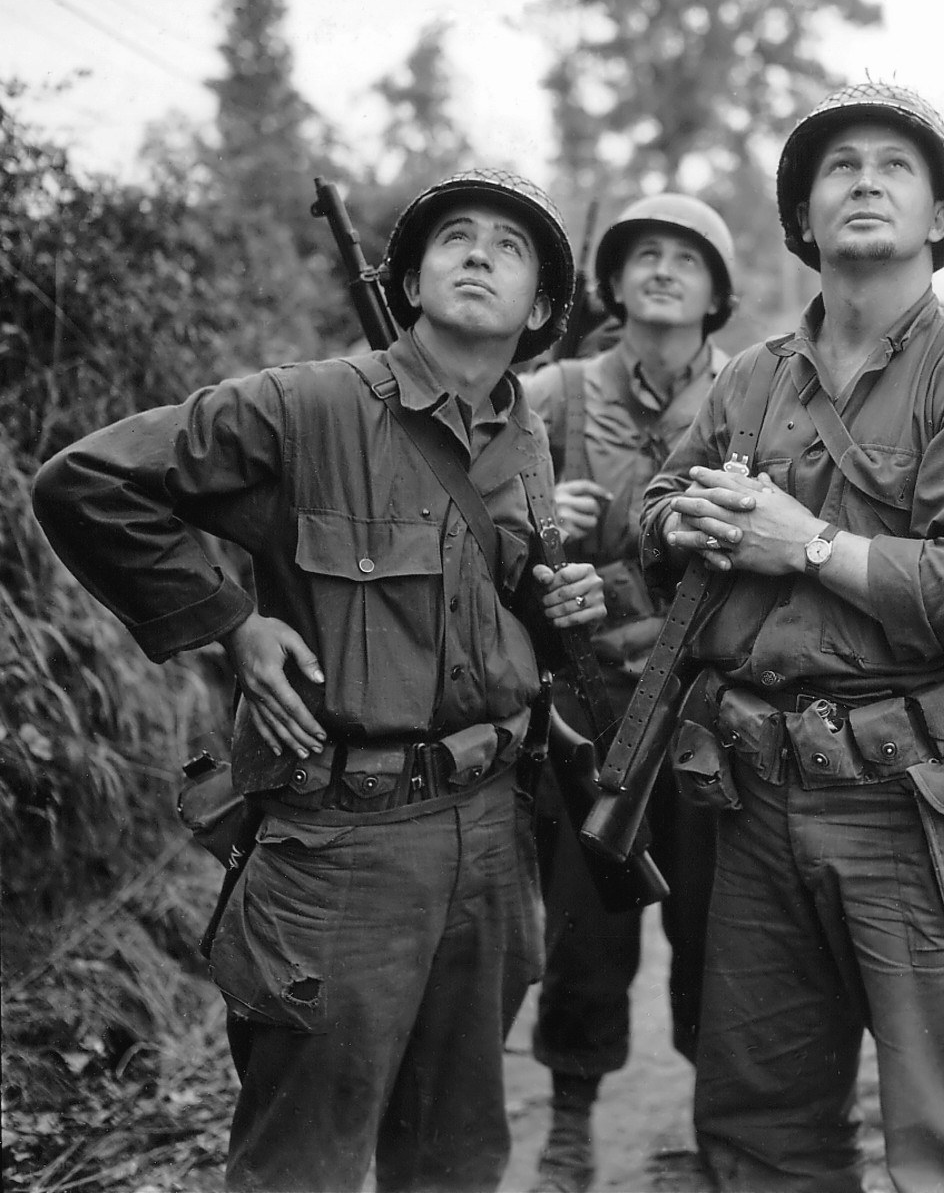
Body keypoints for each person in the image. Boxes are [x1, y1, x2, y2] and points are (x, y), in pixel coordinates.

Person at [32, 168, 609, 1193]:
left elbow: (494, 603)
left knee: (457, 1155)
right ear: (411, 278)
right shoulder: (308, 405)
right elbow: (85, 482)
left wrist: (555, 613)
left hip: (491, 835)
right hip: (344, 847)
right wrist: (233, 624)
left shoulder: (525, 434)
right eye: (456, 238)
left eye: (510, 248)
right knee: (301, 1166)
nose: (480, 254)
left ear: (545, 309)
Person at [640, 81, 944, 1192]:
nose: (864, 180)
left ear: (936, 219)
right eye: (839, 168)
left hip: (912, 807)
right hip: (756, 797)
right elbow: (653, 511)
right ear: (805, 221)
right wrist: (676, 519)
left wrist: (811, 544)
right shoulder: (750, 379)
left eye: (894, 166)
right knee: (761, 1130)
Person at [519, 193, 737, 1192]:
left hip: (710, 713)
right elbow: (465, 518)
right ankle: (569, 1131)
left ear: (716, 289)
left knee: (720, 936)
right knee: (582, 936)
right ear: (612, 282)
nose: (662, 270)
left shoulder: (759, 392)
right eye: (643, 254)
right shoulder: (552, 393)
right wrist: (529, 519)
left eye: (685, 258)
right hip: (587, 711)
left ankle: (718, 1130)